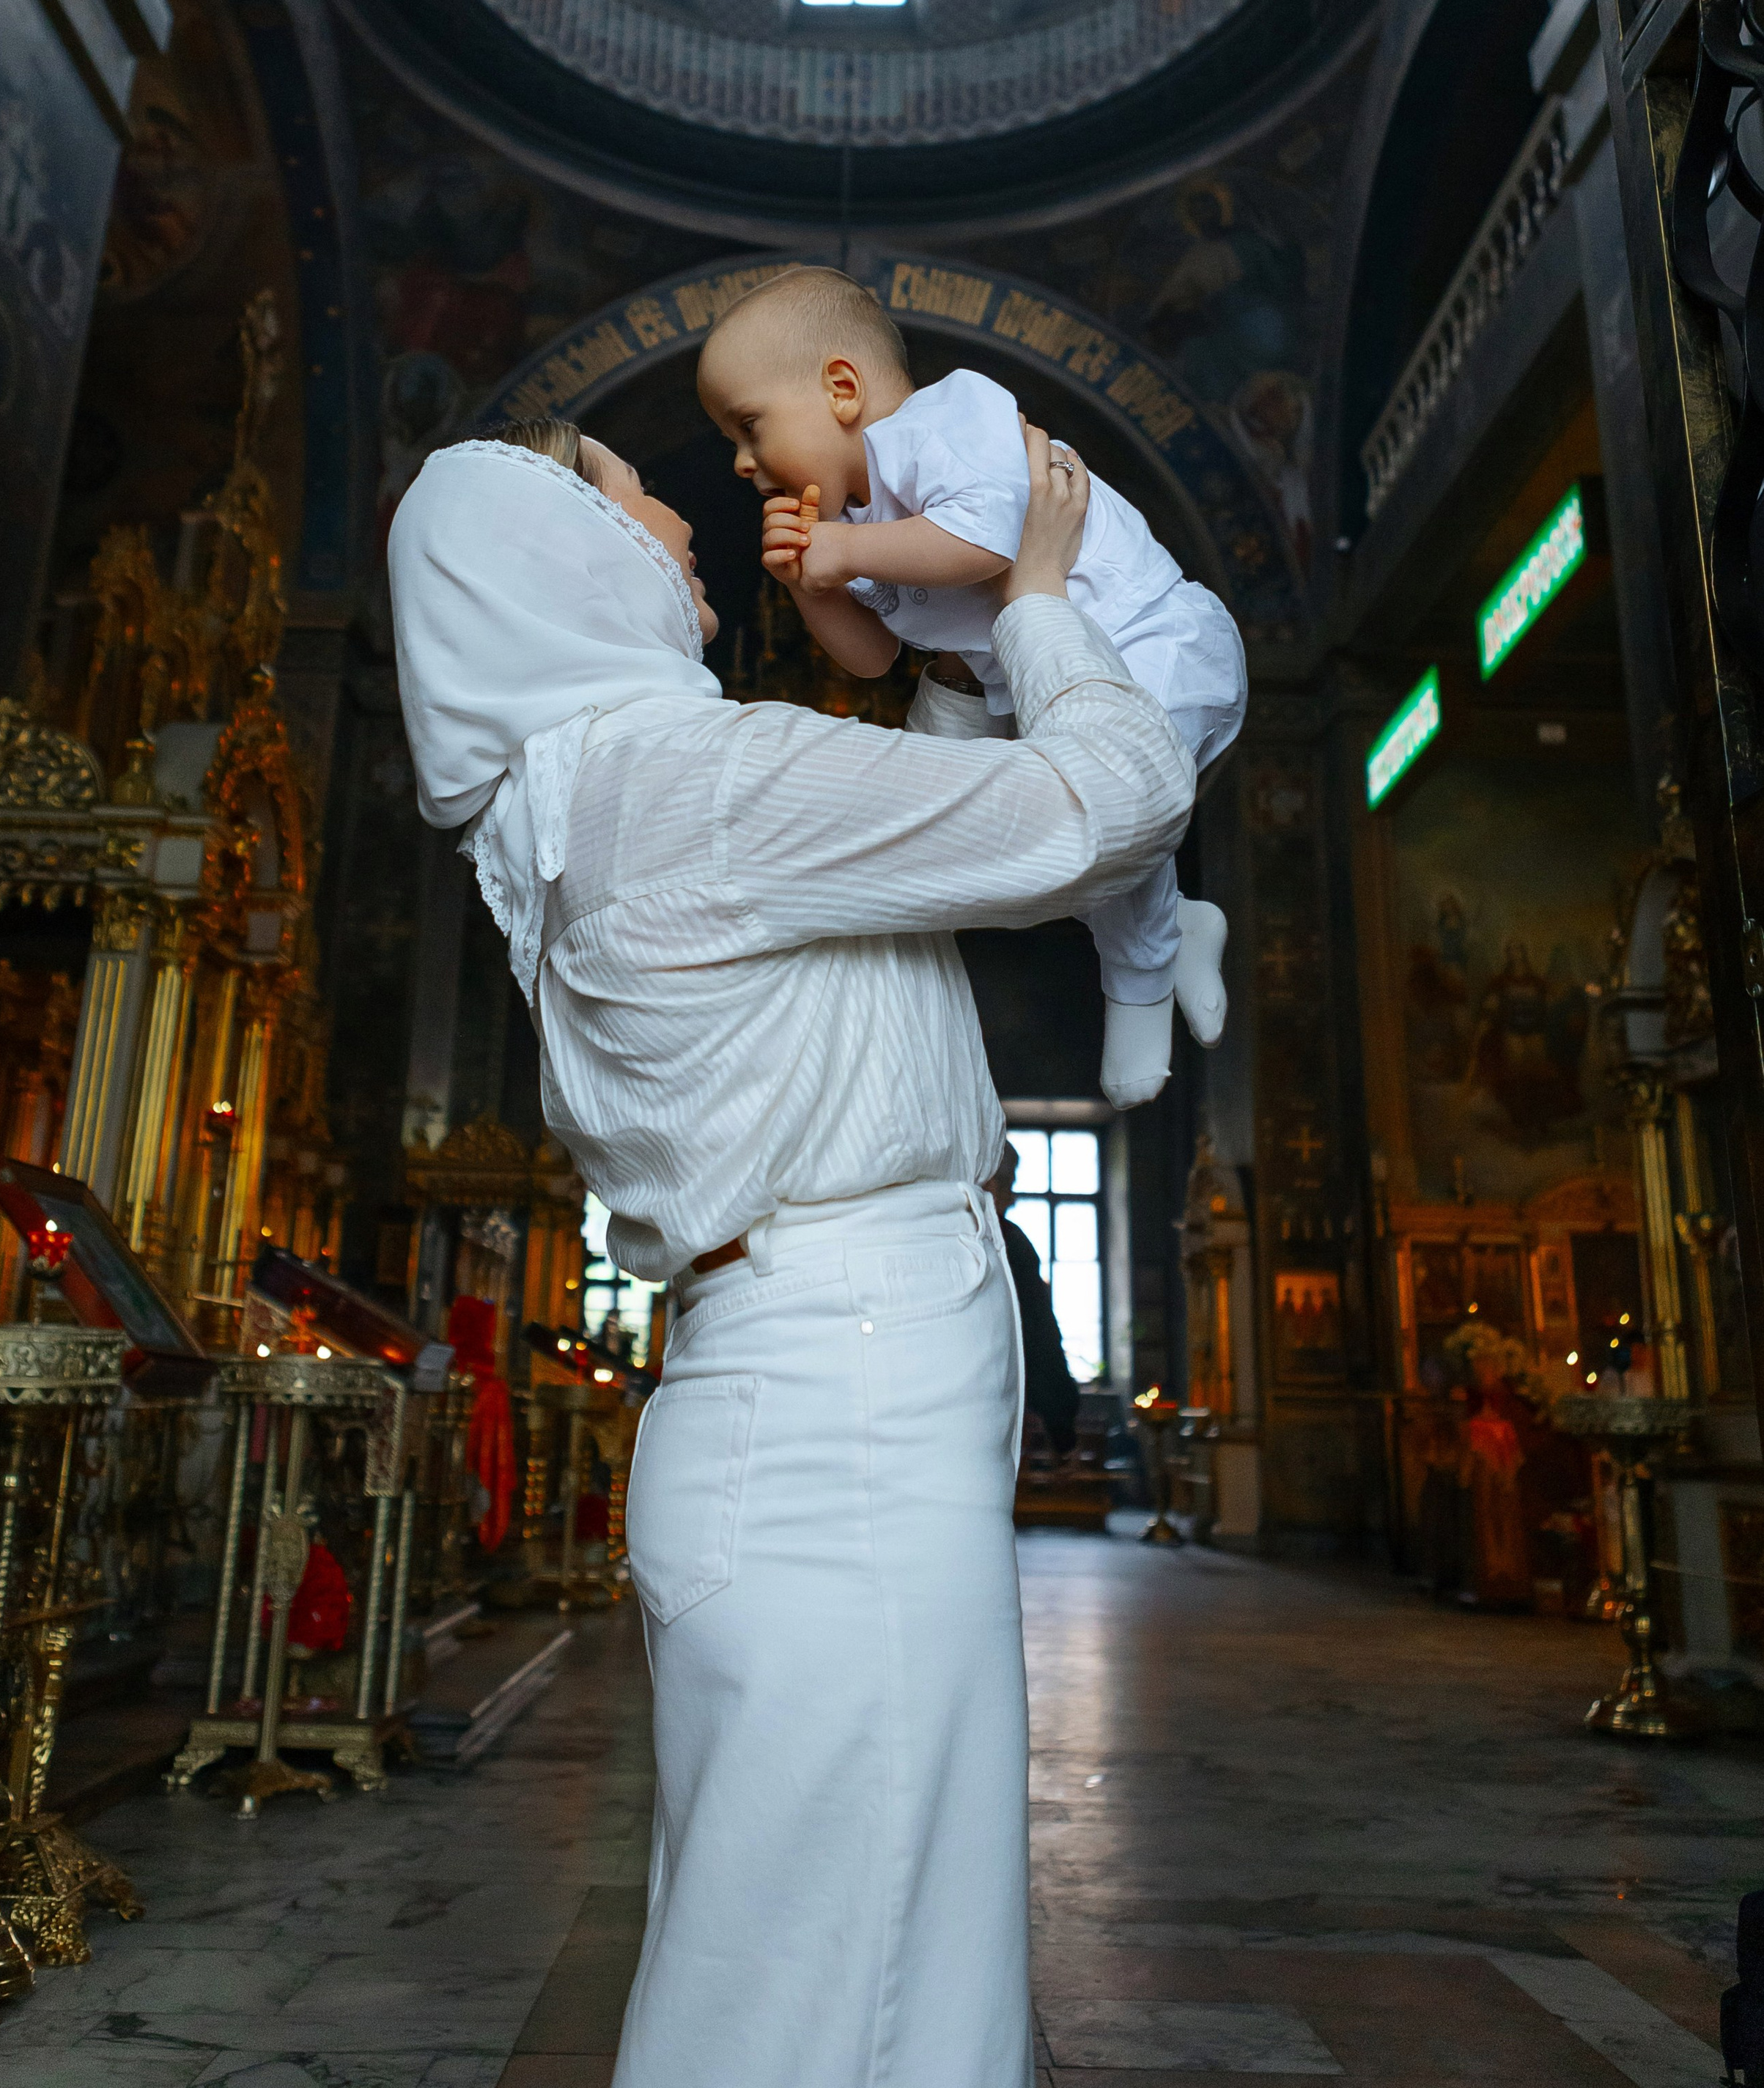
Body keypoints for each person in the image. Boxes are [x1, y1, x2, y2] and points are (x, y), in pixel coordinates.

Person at [388, 405, 1193, 2088]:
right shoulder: (685, 775)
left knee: (850, 1948)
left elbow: (941, 808)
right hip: (845, 1386)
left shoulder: (607, 791)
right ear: (557, 561)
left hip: (819, 1376)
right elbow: (1105, 797)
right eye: (633, 505)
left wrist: (943, 649)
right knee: (836, 1975)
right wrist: (1036, 597)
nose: (680, 526)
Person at [696, 265, 1246, 1106]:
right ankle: (1177, 930)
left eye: (749, 427)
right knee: (1071, 843)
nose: (741, 463)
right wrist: (809, 585)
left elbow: (989, 544)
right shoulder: (855, 523)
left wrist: (841, 557)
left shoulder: (945, 419)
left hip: (1153, 644)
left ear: (841, 389)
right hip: (1052, 683)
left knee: (1117, 814)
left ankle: (1139, 978)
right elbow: (873, 658)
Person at [987, 1148, 1080, 1460]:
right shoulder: (1007, 1243)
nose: (1012, 1199)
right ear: (987, 1183)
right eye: (1008, 1184)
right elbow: (1038, 1338)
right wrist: (1061, 1427)